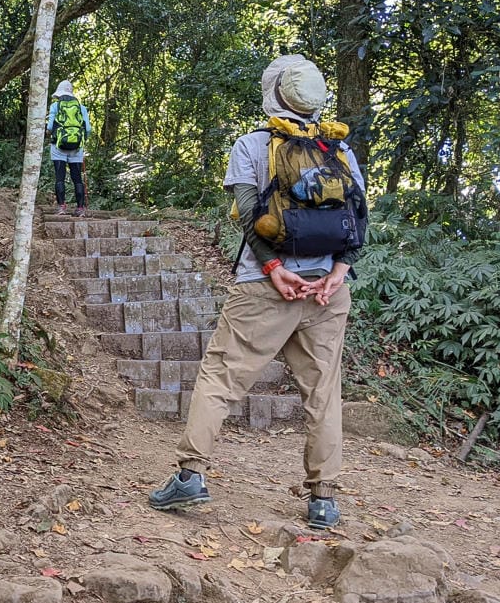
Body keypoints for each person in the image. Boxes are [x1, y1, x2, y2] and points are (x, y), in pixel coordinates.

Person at [148, 55, 367, 530]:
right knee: (323, 393)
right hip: (326, 293)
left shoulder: (252, 145)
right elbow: (359, 219)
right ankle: (323, 500)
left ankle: (190, 476)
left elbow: (250, 215)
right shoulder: (340, 151)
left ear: (274, 94)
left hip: (264, 288)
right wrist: (339, 272)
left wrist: (273, 268)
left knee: (220, 377)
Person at [47, 80, 91, 216]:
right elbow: (88, 129)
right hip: (77, 148)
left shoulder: (55, 106)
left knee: (59, 177)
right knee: (77, 178)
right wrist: (81, 141)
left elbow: (49, 127)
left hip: (58, 146)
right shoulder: (81, 107)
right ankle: (80, 208)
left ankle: (61, 207)